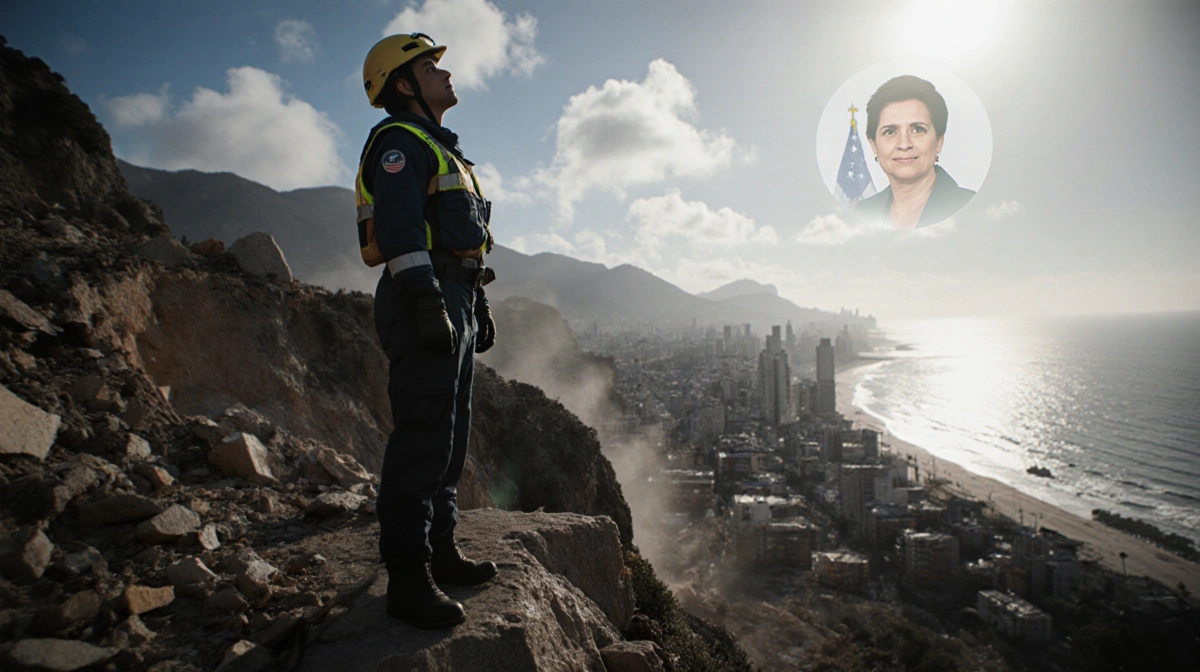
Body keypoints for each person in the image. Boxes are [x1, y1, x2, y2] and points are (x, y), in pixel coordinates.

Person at [356, 32, 498, 629]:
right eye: (430, 68)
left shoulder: (445, 151)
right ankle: (408, 577)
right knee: (422, 437)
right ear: (404, 84)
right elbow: (400, 230)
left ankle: (441, 549)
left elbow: (457, 237)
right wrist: (425, 302)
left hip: (454, 293)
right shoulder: (399, 142)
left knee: (451, 434)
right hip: (426, 295)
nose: (446, 75)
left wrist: (475, 301)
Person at [855, 75, 975, 228]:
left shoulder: (972, 207)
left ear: (939, 141)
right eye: (890, 132)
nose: (904, 144)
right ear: (873, 145)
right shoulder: (861, 213)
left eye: (918, 130)